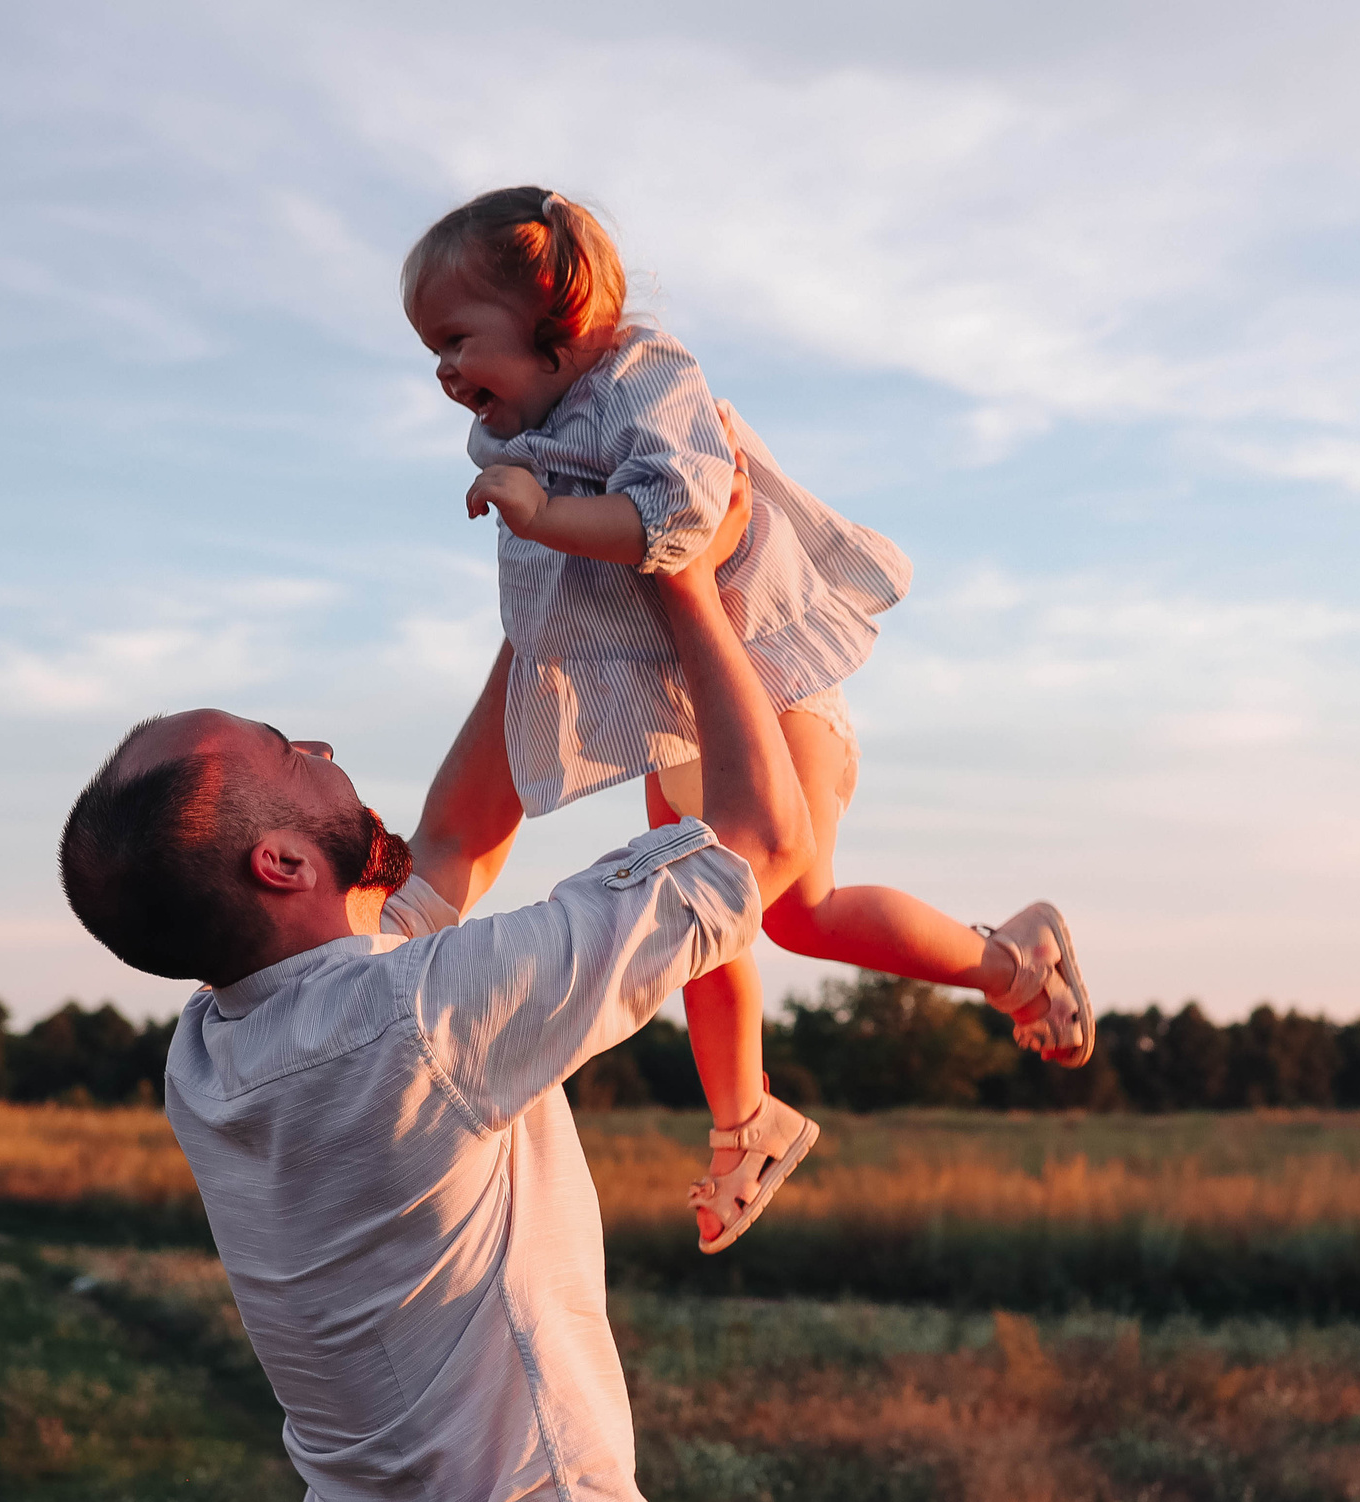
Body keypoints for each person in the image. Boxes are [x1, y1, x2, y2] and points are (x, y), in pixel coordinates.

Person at [56, 465, 805, 1502]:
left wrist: (556, 591)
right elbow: (758, 846)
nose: (325, 746)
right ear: (283, 859)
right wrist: (674, 568)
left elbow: (455, 836)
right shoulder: (411, 1022)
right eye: (286, 751)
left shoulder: (216, 1056)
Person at [400, 185, 1093, 1253]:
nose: (442, 371)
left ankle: (1014, 960)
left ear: (559, 317)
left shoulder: (646, 379)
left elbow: (681, 519)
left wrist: (547, 516)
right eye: (431, 349)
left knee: (793, 909)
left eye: (456, 339)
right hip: (679, 708)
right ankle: (744, 1123)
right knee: (700, 909)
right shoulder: (533, 431)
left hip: (769, 689)